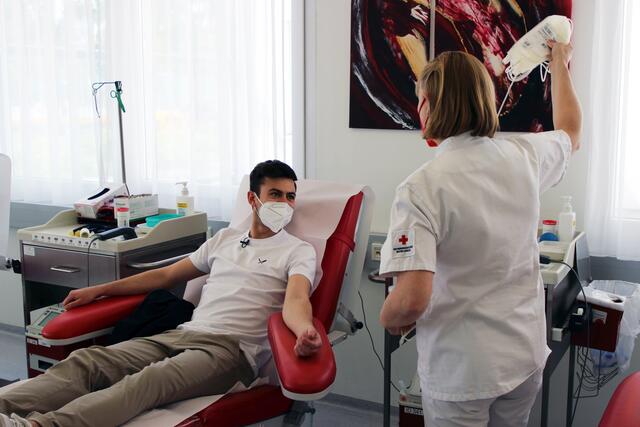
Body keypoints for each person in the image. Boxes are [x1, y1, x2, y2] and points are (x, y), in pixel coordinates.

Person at [0, 160, 321, 427]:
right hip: (183, 336)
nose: (284, 204)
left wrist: (304, 330)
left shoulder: (297, 251)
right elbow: (166, 275)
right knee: (89, 361)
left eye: (290, 197)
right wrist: (99, 290)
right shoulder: (225, 239)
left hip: (230, 353)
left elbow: (296, 299)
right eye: (275, 194)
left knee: (147, 381)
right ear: (253, 199)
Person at [379, 41, 581, 427]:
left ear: (430, 106)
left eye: (421, 99)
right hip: (522, 359)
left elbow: (410, 301)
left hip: (463, 373)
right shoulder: (524, 155)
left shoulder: (421, 188)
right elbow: (571, 131)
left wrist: (389, 317)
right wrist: (559, 64)